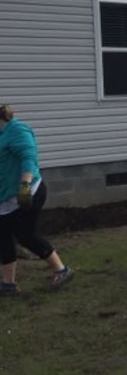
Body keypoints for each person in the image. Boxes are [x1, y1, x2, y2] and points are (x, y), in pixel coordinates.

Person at [0, 104, 73, 295]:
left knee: (25, 235)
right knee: (3, 237)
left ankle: (61, 270)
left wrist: (24, 187)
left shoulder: (17, 130)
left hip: (28, 192)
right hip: (5, 197)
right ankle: (8, 284)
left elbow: (28, 158)